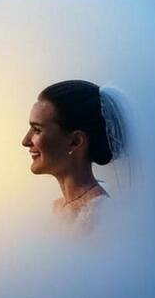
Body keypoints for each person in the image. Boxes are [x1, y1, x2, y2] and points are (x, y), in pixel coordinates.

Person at [21, 80, 127, 229]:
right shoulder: (57, 208)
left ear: (75, 141)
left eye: (37, 130)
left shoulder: (103, 215)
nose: (25, 141)